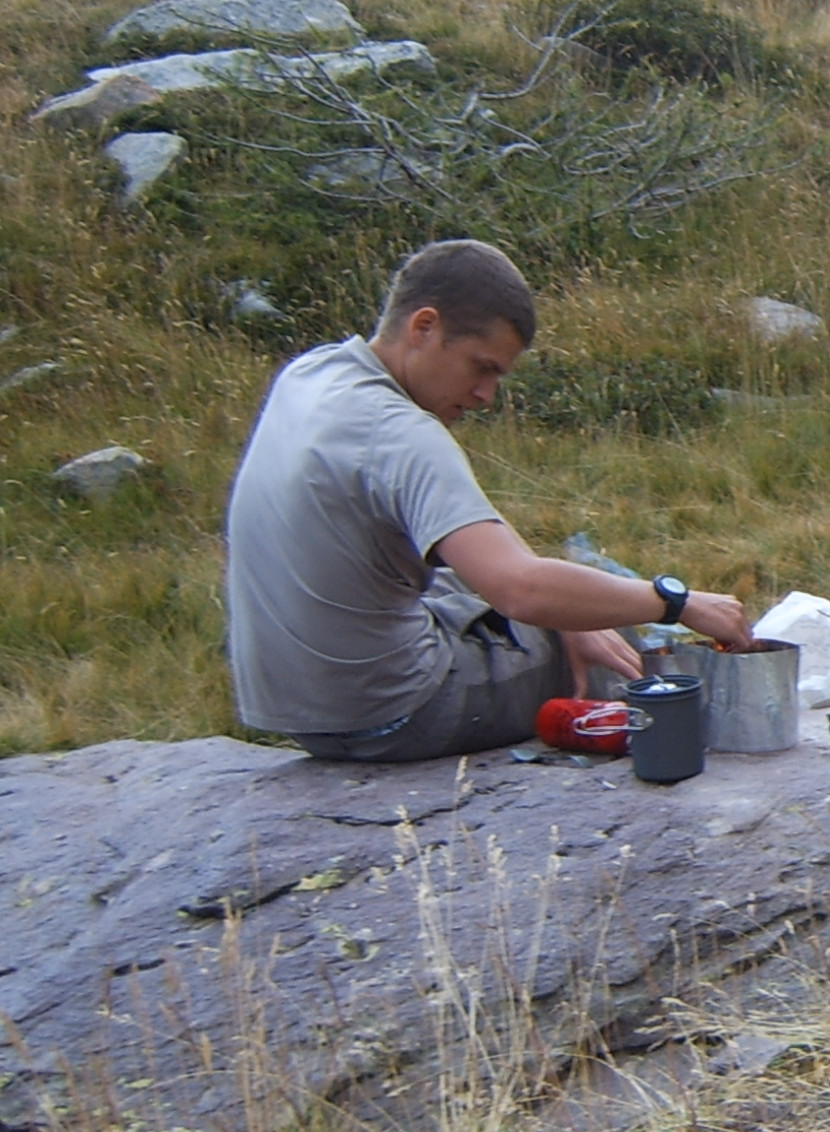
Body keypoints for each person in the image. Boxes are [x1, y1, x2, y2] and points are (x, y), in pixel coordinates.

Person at [225, 239, 754, 762]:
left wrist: (566, 614)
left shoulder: (309, 374)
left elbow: (492, 555)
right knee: (610, 645)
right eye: (483, 368)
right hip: (388, 712)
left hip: (294, 706)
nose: (486, 396)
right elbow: (520, 589)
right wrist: (677, 601)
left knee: (551, 600)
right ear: (424, 327)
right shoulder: (403, 434)